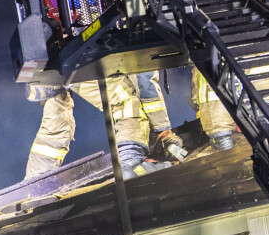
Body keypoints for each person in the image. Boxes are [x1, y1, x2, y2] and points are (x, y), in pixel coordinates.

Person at [24, 71, 184, 180]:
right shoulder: (148, 26)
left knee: (56, 126)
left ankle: (34, 181)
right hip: (78, 61)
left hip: (44, 73)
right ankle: (130, 161)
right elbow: (145, 81)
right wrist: (163, 129)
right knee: (126, 102)